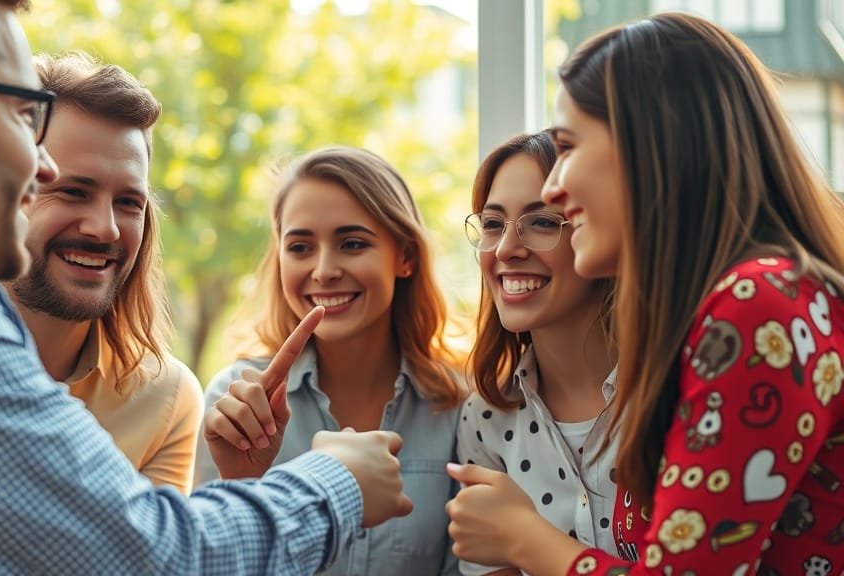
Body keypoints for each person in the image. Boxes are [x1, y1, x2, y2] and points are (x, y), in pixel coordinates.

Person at [0, 2, 413, 574]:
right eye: (22, 114)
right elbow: (157, 558)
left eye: (128, 201)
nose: (40, 166)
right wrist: (335, 482)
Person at [445, 11, 844, 575]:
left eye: (569, 146)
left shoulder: (757, 306)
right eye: (492, 223)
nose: (556, 187)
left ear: (654, 146)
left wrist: (524, 540)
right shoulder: (735, 309)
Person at [196, 146, 464, 575]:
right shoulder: (236, 403)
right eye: (300, 246)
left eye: (352, 243)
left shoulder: (460, 405)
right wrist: (240, 484)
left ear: (406, 257)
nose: (323, 270)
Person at [5, 51, 203, 492]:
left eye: (128, 202)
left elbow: (156, 558)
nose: (105, 228)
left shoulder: (164, 398)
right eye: (74, 191)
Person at [451, 132, 617, 576]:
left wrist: (525, 537)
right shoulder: (485, 418)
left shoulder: (676, 392)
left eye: (541, 222)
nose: (506, 249)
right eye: (491, 224)